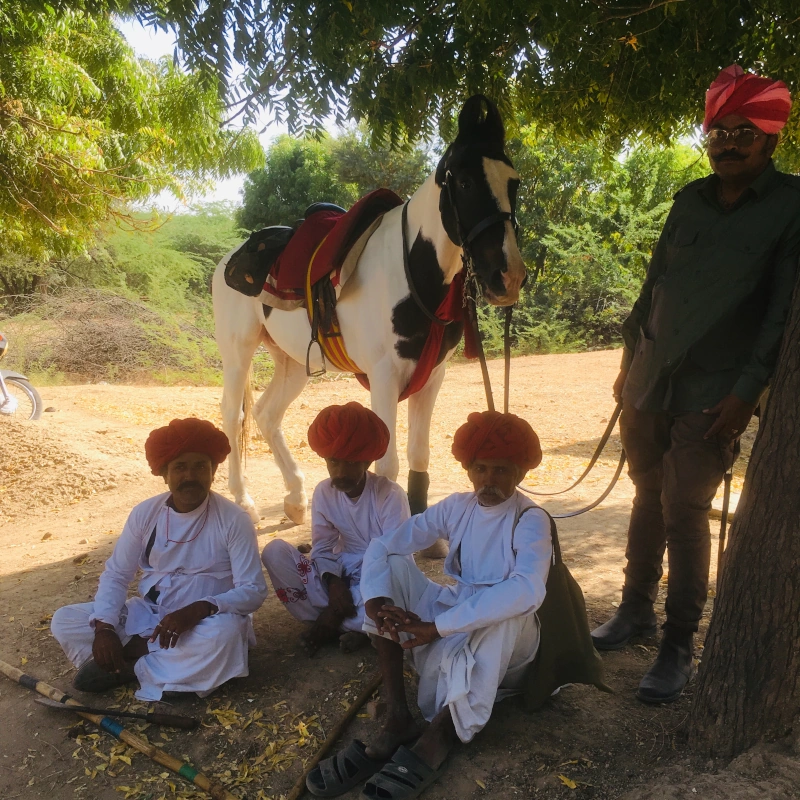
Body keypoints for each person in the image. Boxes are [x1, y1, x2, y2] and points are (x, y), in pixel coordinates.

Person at [592, 64, 800, 704]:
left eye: (743, 131)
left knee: (685, 509)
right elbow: (654, 286)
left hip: (715, 390)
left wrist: (747, 392)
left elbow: (781, 312)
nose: (728, 142)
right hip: (651, 378)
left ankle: (680, 642)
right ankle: (634, 611)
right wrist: (629, 362)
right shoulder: (688, 200)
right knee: (645, 496)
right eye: (718, 131)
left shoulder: (791, 205)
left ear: (769, 138)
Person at [305, 411, 550, 799]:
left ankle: (438, 737)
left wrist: (438, 627)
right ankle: (397, 716)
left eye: (501, 471)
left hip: (508, 639)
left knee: (508, 610)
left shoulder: (530, 519)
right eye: (481, 469)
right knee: (393, 562)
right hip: (456, 608)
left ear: (520, 474)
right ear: (468, 470)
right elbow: (385, 545)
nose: (489, 480)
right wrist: (375, 599)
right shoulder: (458, 506)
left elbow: (527, 591)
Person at [51, 418, 268, 701]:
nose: (190, 476)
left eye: (200, 466)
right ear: (164, 474)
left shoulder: (233, 519)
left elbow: (253, 591)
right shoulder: (145, 514)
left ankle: (130, 663)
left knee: (224, 636)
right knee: (65, 619)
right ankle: (161, 666)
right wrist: (105, 628)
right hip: (150, 613)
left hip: (205, 622)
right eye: (180, 467)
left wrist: (200, 608)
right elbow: (117, 574)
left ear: (214, 471)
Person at [262, 401, 410, 654]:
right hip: (342, 571)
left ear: (367, 461)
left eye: (351, 463)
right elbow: (323, 546)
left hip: (379, 574)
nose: (340, 472)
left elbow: (395, 556)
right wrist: (333, 583)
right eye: (334, 462)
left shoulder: (390, 495)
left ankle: (334, 623)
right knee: (273, 551)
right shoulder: (324, 491)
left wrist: (335, 607)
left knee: (390, 595)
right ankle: (358, 627)